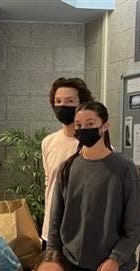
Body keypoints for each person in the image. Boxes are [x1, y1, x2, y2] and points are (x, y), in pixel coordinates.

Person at [48, 101, 140, 271]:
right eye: (79, 125)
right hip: (75, 264)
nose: (83, 129)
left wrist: (116, 258)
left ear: (105, 126)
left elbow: (135, 223)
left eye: (90, 124)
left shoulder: (124, 169)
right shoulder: (67, 168)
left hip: (114, 267)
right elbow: (55, 220)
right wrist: (53, 257)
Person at [41, 77, 94, 248]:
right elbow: (49, 182)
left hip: (83, 233)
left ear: (82, 103)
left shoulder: (95, 145)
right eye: (58, 101)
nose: (63, 106)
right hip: (52, 231)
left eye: (70, 101)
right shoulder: (48, 143)